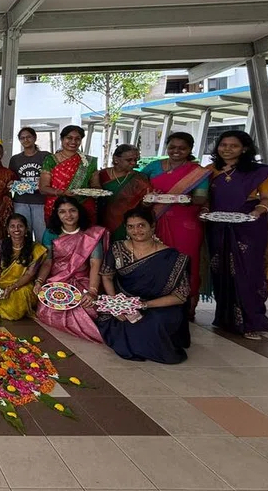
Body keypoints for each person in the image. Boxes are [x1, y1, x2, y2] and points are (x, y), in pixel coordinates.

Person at [204, 130, 268, 340]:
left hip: (249, 226)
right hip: (217, 226)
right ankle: (226, 319)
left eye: (233, 146)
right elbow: (203, 196)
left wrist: (257, 212)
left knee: (249, 273)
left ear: (245, 149)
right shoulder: (209, 170)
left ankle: (252, 321)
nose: (227, 149)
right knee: (221, 272)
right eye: (223, 145)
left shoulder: (259, 172)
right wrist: (204, 210)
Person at [97, 207, 191, 363]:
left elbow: (180, 296)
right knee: (117, 322)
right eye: (131, 226)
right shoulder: (117, 248)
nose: (136, 231)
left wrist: (144, 305)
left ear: (152, 226)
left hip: (159, 305)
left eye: (141, 225)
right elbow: (107, 276)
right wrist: (116, 305)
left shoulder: (172, 257)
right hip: (125, 302)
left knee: (154, 323)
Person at [141, 132, 210, 318]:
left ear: (190, 149)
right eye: (172, 147)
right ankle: (156, 304)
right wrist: (147, 200)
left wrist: (184, 199)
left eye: (182, 148)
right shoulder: (153, 166)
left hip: (186, 223)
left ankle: (187, 306)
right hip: (155, 220)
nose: (176, 151)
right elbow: (138, 189)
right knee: (155, 261)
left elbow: (201, 197)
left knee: (187, 261)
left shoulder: (197, 172)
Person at [34, 196, 107, 343]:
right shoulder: (51, 233)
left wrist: (92, 291)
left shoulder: (91, 234)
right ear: (57, 214)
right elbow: (48, 262)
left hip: (82, 279)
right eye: (62, 212)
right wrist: (39, 282)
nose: (68, 215)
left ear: (79, 211)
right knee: (48, 309)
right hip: (57, 279)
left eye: (72, 210)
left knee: (87, 307)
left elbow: (95, 264)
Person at [0, 215, 46, 320]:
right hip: (4, 283)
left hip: (24, 285)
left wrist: (12, 287)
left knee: (13, 307)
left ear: (26, 229)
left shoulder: (36, 248)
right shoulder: (1, 244)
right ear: (8, 230)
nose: (16, 229)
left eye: (20, 226)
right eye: (12, 226)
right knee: (0, 299)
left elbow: (29, 274)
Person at [92, 145, 151, 241]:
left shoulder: (140, 178)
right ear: (116, 159)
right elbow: (92, 197)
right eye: (129, 160)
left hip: (129, 222)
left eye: (135, 160)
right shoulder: (100, 175)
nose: (133, 163)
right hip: (102, 221)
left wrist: (146, 204)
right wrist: (95, 184)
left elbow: (144, 205)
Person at [39, 125, 97, 222]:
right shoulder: (50, 160)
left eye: (77, 139)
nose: (73, 142)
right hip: (57, 207)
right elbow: (43, 188)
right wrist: (62, 192)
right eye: (69, 138)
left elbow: (96, 186)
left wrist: (94, 192)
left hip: (82, 206)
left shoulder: (89, 161)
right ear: (62, 139)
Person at [9, 127, 49, 240]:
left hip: (41, 201)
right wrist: (11, 184)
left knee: (42, 234)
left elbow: (53, 175)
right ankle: (26, 252)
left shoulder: (45, 156)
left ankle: (43, 252)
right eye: (22, 138)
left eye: (28, 137)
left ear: (35, 138)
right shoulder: (15, 159)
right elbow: (12, 178)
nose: (26, 140)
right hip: (21, 201)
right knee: (23, 234)